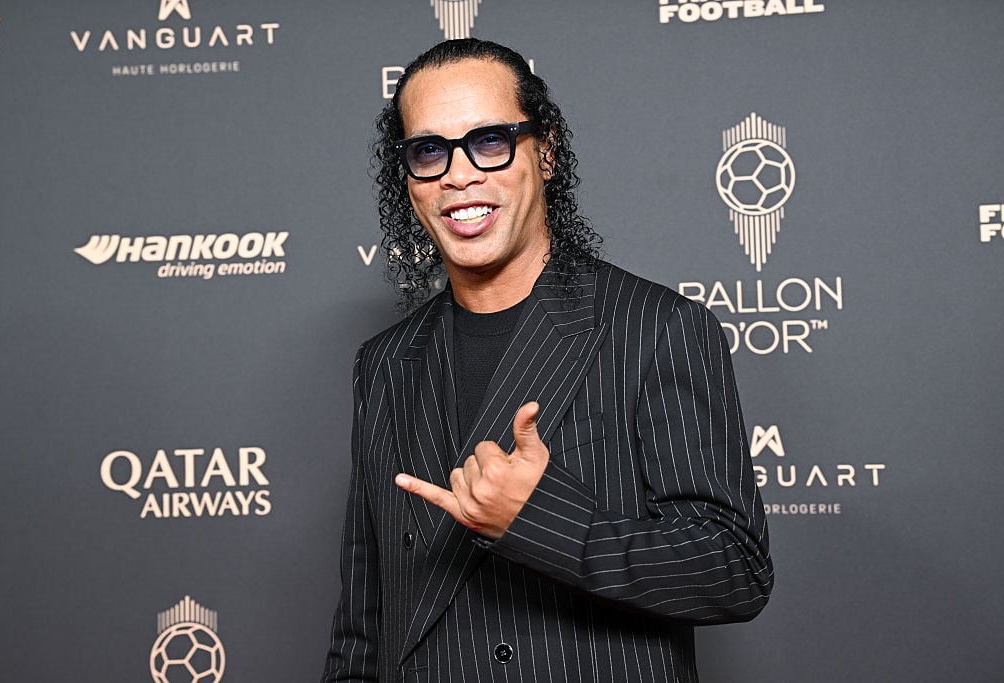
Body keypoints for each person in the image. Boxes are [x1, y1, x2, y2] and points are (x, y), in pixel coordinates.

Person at [323, 38, 773, 682]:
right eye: (429, 150)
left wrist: (539, 518)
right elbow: (362, 624)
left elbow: (733, 571)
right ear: (408, 179)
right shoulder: (385, 363)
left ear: (547, 150)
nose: (459, 175)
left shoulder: (656, 328)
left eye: (489, 141)